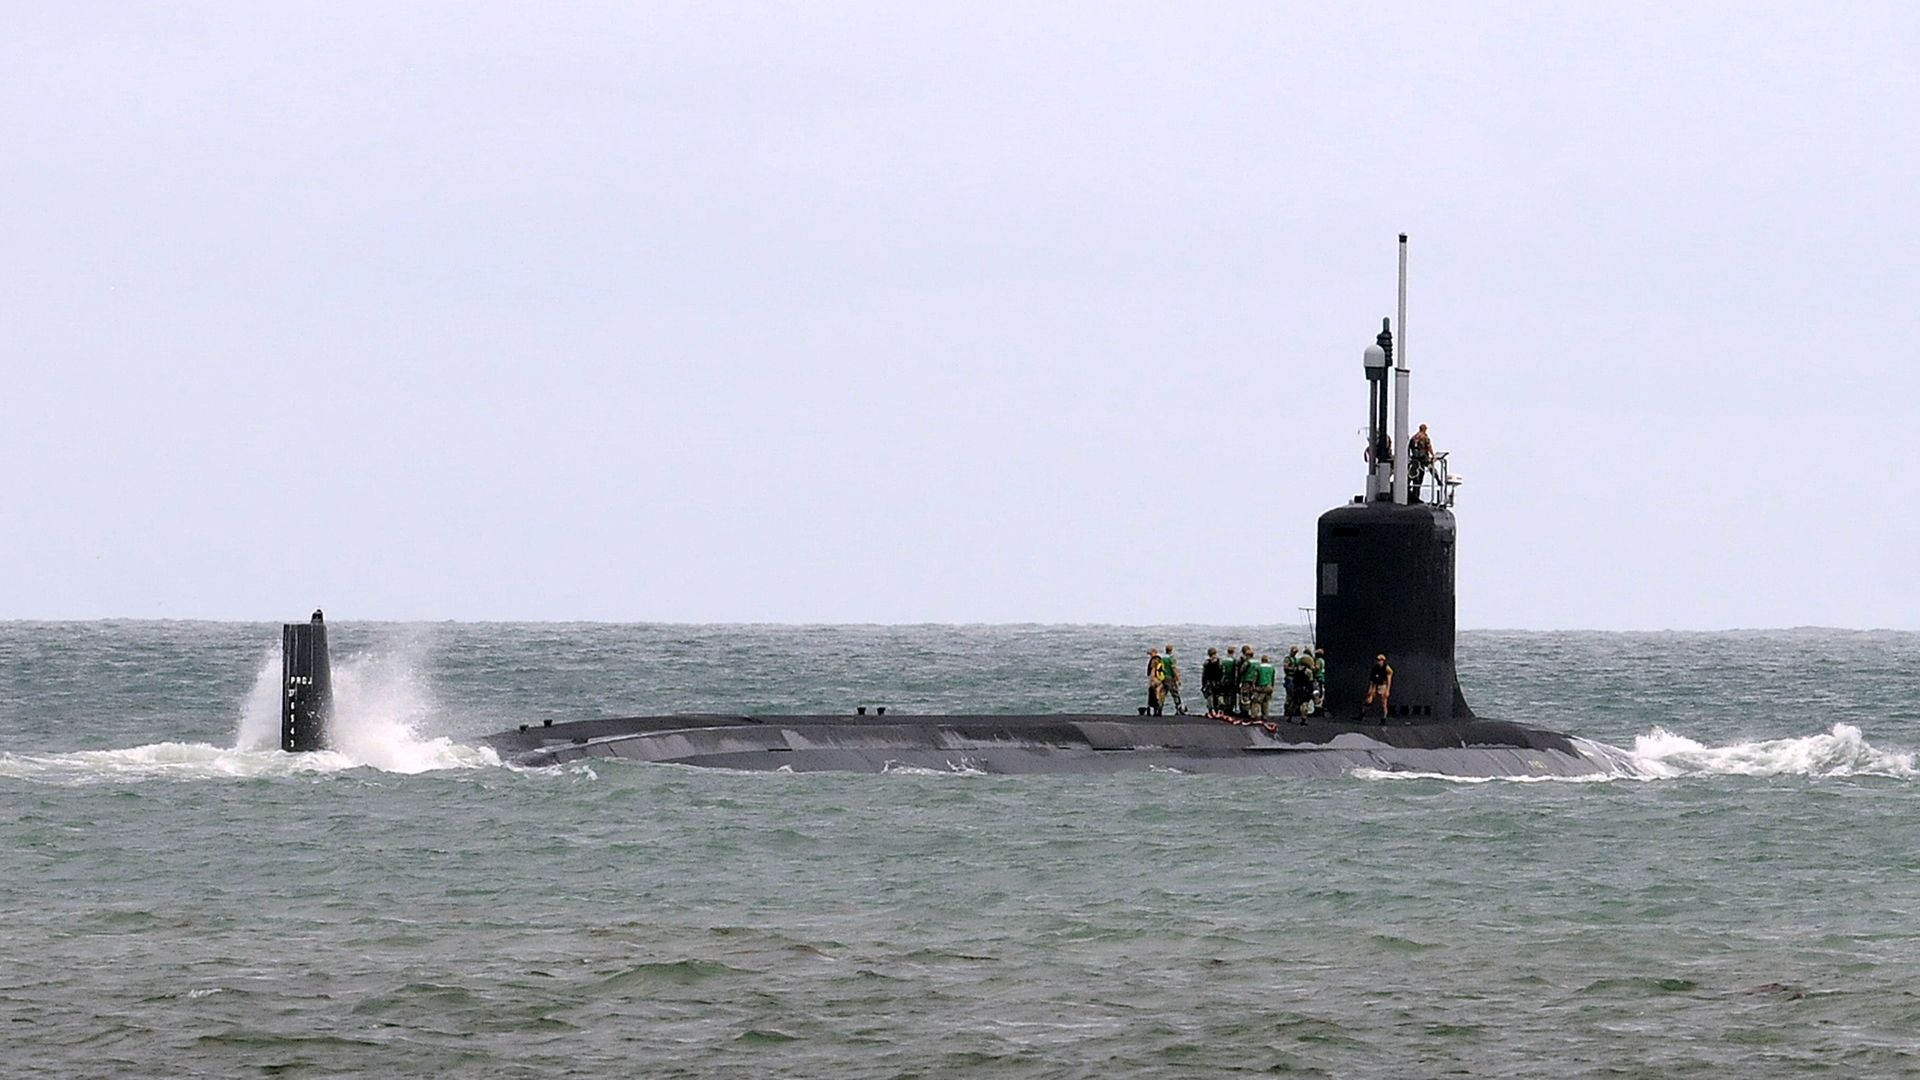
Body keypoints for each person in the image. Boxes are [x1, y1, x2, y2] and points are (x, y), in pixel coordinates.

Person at [1364, 653, 1394, 723]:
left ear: (1383, 661)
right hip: (1375, 685)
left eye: (1380, 660)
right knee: (1368, 700)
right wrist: (1370, 689)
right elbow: (1372, 680)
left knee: (1383, 703)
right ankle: (1362, 714)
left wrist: (1387, 690)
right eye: (1377, 660)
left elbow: (1389, 680)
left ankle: (1384, 719)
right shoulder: (1375, 668)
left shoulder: (1387, 668)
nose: (1378, 661)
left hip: (1383, 686)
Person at [1409, 423, 1435, 499]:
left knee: (1413, 477)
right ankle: (1438, 480)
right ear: (1424, 429)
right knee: (1429, 469)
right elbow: (1429, 447)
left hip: (1414, 460)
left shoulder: (1413, 437)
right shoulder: (1425, 437)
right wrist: (1433, 455)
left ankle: (1413, 493)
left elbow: (1409, 447)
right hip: (1422, 460)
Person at [1162, 645, 1185, 714]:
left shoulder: (1162, 658)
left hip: (1162, 677)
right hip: (1169, 677)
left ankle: (1159, 708)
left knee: (1163, 693)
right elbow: (1173, 669)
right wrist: (1177, 678)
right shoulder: (1171, 658)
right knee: (1175, 693)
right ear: (1171, 650)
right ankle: (1178, 708)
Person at [1252, 653, 1276, 720]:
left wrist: (1253, 686)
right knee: (1266, 702)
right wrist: (1272, 686)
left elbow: (1255, 677)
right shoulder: (1272, 667)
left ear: (1261, 660)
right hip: (1269, 687)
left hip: (1260, 687)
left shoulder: (1258, 667)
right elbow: (1273, 678)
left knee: (1256, 701)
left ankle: (1255, 715)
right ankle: (1265, 716)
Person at [1237, 645, 1259, 718]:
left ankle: (1245, 712)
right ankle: (1253, 713)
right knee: (1252, 696)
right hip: (1254, 682)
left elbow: (1241, 670)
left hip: (1246, 680)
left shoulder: (1247, 662)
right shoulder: (1257, 662)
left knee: (1245, 697)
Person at [1201, 648, 1223, 713]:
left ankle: (1211, 710)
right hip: (1218, 681)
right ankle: (1220, 709)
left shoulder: (1207, 662)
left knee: (1210, 696)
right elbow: (1223, 672)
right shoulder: (1220, 662)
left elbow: (1204, 675)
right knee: (1219, 695)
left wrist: (1203, 684)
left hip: (1209, 681)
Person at [1146, 647, 1165, 716]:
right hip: (1160, 679)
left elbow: (1152, 671)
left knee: (1153, 694)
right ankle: (1158, 710)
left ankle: (1153, 710)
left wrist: (1151, 681)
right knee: (1159, 695)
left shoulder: (1154, 660)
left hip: (1155, 679)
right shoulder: (1160, 660)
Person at [1312, 648, 1327, 716]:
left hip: (1317, 678)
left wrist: (1312, 667)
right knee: (1321, 693)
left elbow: (1317, 668)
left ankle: (1317, 709)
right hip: (1322, 678)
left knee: (1316, 693)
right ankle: (1321, 709)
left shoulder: (1318, 661)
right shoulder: (1322, 660)